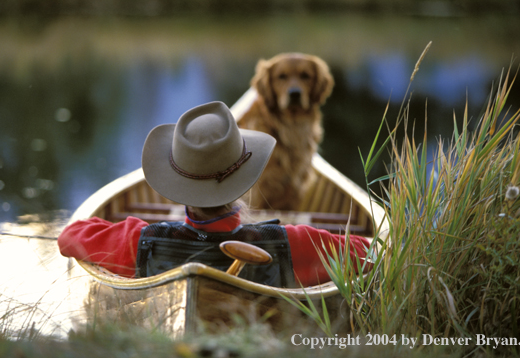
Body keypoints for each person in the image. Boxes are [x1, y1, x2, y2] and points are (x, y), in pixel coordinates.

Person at [58, 101, 371, 287]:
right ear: (243, 183)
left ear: (178, 183)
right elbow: (369, 253)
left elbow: (69, 236)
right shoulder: (294, 242)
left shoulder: (138, 240)